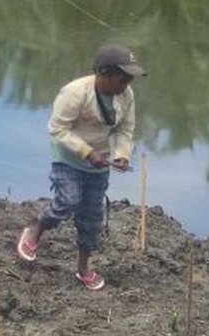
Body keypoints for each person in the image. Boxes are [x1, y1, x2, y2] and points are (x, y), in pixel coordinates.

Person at [16, 43, 146, 291]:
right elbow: (57, 128)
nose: (127, 84)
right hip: (68, 157)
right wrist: (86, 152)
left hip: (99, 162)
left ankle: (83, 268)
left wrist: (121, 155)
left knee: (92, 218)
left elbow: (124, 130)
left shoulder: (126, 95)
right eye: (122, 78)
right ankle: (36, 230)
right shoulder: (75, 93)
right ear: (103, 73)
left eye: (129, 79)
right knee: (67, 201)